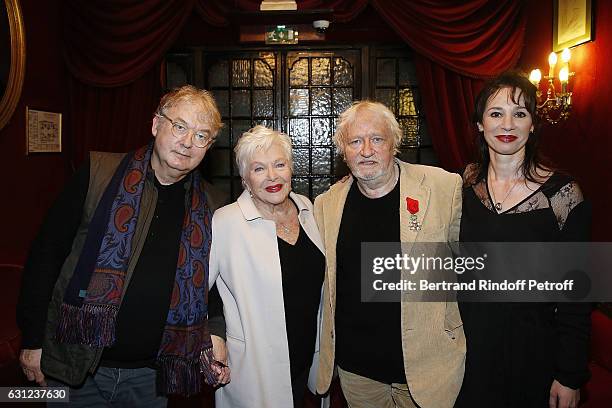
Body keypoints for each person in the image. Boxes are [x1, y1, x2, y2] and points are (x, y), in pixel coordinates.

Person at [17, 85, 230, 407]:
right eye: (180, 126)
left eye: (202, 136)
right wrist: (32, 339)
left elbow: (213, 287)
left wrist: (216, 331)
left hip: (150, 378)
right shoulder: (98, 173)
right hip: (76, 366)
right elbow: (46, 256)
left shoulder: (214, 205)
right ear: (157, 124)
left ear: (209, 146)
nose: (188, 143)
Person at [313, 100, 465, 408]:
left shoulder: (443, 187)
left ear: (394, 143)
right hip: (358, 373)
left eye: (377, 139)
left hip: (428, 368)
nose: (366, 150)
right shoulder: (326, 205)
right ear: (344, 151)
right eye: (355, 141)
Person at [456, 72, 592, 408]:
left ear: (532, 125)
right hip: (469, 354)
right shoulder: (462, 186)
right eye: (496, 113)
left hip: (534, 355)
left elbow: (578, 296)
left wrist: (569, 374)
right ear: (479, 124)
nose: (508, 124)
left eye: (520, 113)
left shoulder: (562, 195)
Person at [208, 125, 326, 407]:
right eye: (259, 169)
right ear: (245, 179)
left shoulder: (308, 210)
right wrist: (214, 334)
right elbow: (197, 290)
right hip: (255, 369)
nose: (272, 176)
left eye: (279, 165)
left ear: (291, 169)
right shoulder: (225, 222)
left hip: (308, 361)